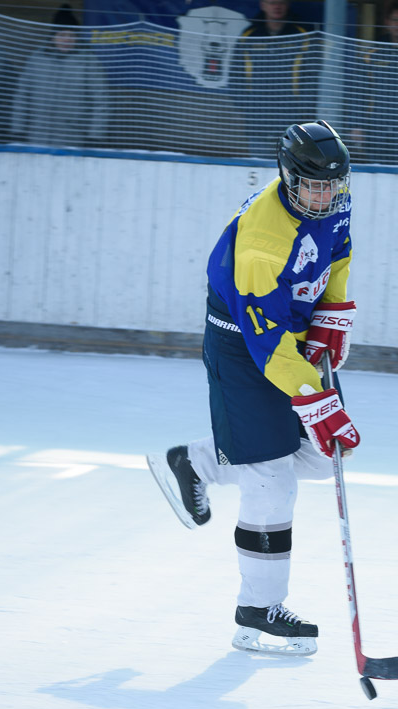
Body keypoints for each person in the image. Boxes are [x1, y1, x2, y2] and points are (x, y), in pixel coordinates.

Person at [147, 120, 359, 656]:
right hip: (244, 344)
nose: (325, 196)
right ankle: (258, 611)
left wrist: (332, 313)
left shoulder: (333, 198)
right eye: (314, 186)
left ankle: (196, 462)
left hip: (289, 328)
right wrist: (317, 400)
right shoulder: (264, 240)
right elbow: (267, 346)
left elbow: (338, 252)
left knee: (321, 457)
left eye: (332, 185)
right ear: (289, 178)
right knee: (271, 478)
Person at [9, 5, 109, 148]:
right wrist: (18, 129)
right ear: (52, 37)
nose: (66, 40)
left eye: (71, 35)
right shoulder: (37, 59)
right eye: (62, 35)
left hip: (72, 138)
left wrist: (95, 135)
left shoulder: (88, 61)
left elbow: (101, 100)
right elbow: (22, 96)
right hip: (37, 137)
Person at [350, 1, 398, 165]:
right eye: (395, 20)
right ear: (387, 22)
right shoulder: (371, 55)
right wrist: (357, 125)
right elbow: (358, 93)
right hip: (375, 131)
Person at [234, 0, 316, 159]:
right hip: (257, 119)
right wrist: (247, 107)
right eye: (272, 2)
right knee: (260, 165)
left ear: (288, 4)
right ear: (263, 5)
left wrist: (302, 107)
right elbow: (236, 75)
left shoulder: (303, 34)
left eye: (281, 2)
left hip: (293, 118)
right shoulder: (248, 35)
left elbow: (313, 74)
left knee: (291, 167)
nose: (277, 7)